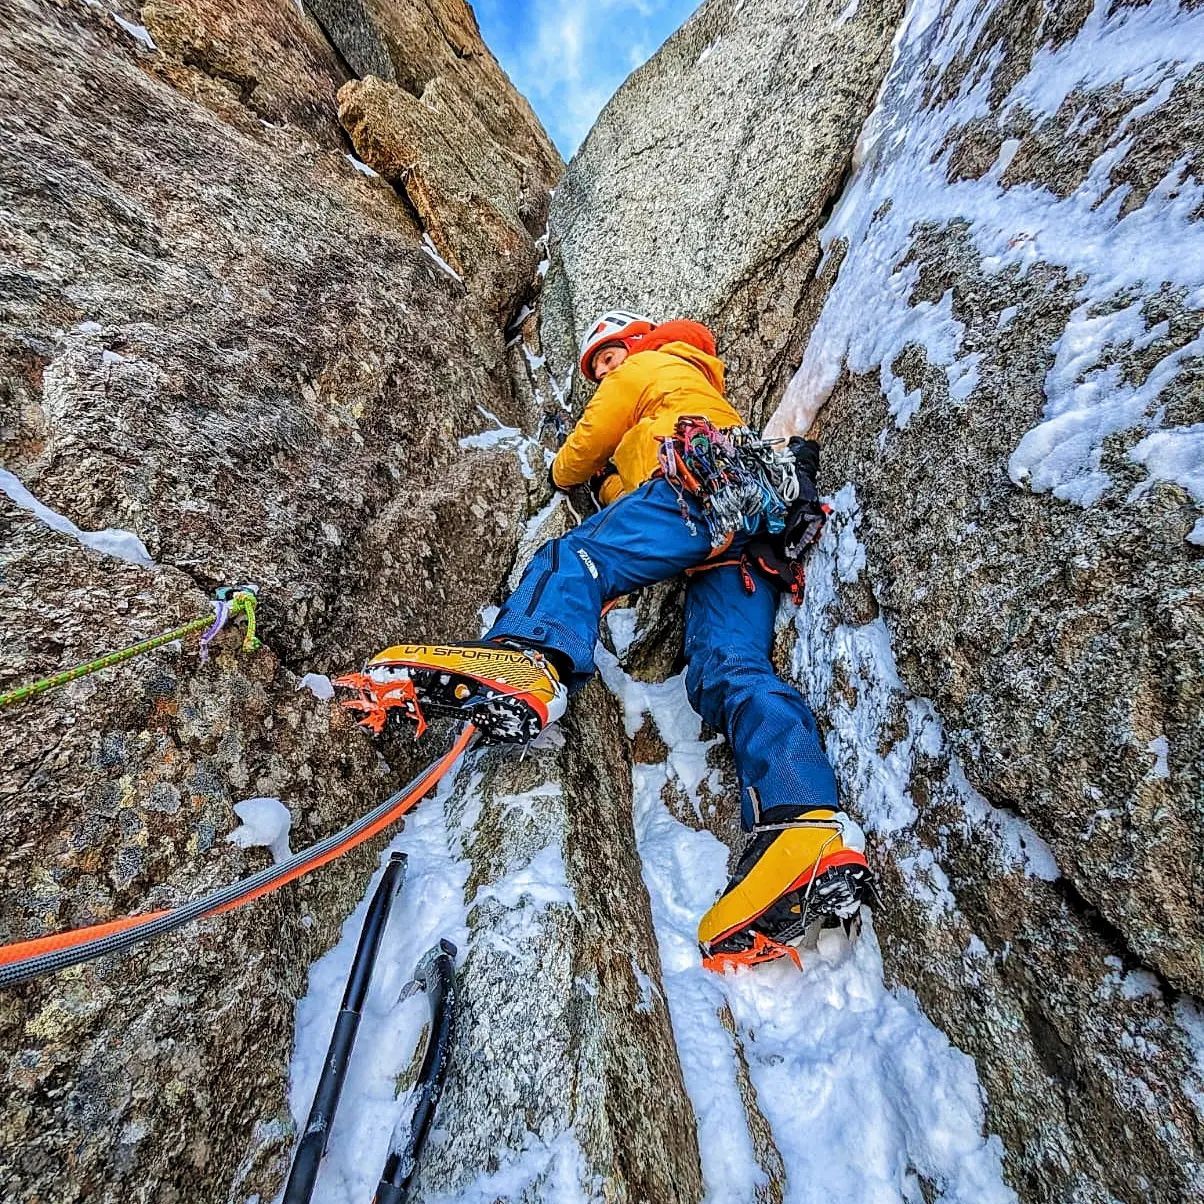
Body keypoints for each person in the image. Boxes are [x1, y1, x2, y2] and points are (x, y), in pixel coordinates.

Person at [351, 311, 873, 969]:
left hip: (702, 489)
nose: (603, 369)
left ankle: (525, 658)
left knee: (574, 561)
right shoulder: (697, 386)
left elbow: (580, 453)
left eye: (606, 355)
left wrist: (575, 477)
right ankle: (804, 830)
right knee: (729, 667)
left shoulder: (651, 366)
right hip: (752, 530)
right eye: (597, 363)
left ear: (634, 344)